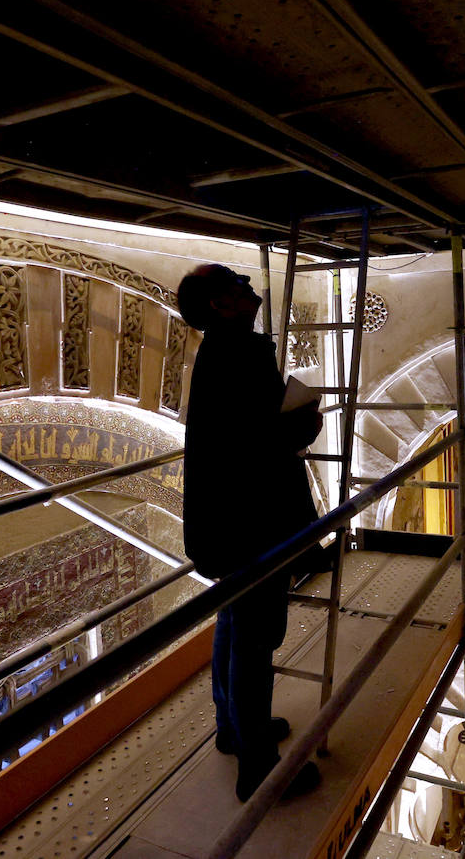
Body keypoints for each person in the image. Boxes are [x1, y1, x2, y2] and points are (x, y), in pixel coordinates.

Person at [177, 263, 323, 802]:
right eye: (237, 283)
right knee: (255, 638)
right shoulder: (239, 353)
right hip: (253, 522)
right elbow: (258, 443)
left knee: (235, 623)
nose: (248, 286)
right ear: (220, 303)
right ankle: (258, 767)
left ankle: (234, 730)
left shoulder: (222, 350)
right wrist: (302, 425)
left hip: (228, 522)